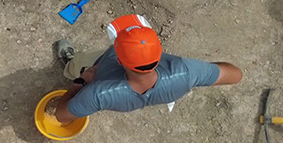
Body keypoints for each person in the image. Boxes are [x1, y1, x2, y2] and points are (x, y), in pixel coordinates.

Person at [52, 15, 242, 123]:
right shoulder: (185, 72)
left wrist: (82, 81)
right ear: (159, 54)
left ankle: (70, 65)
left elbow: (62, 116)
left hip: (96, 73)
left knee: (77, 66)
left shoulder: (97, 94)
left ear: (118, 59)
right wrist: (199, 70)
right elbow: (235, 75)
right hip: (161, 93)